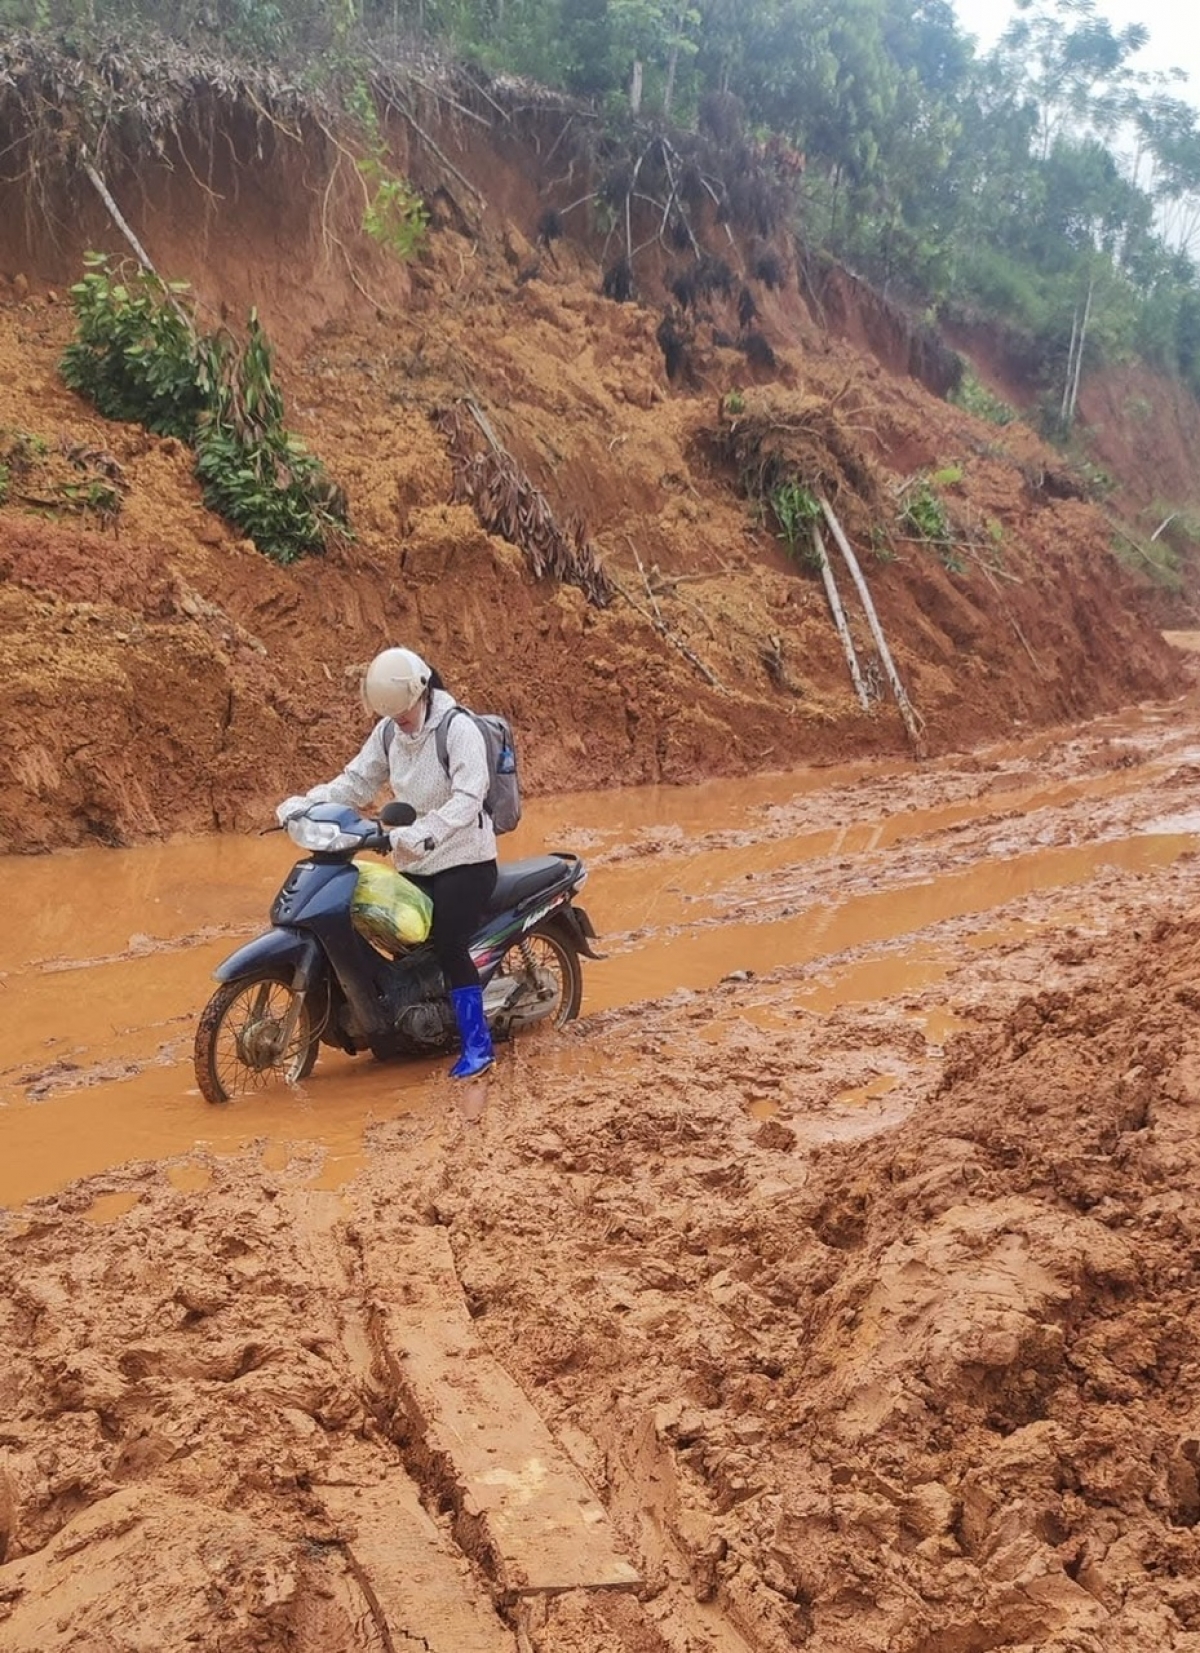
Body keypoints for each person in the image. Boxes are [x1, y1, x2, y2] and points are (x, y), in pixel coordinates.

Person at [279, 646, 498, 1079]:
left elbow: (470, 795)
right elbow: (358, 782)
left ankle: (478, 1046)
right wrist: (307, 803)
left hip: (464, 860)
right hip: (415, 860)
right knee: (399, 936)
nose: (399, 720)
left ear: (422, 692)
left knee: (450, 944)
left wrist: (427, 832)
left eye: (404, 712)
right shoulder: (387, 733)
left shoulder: (458, 728)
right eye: (391, 714)